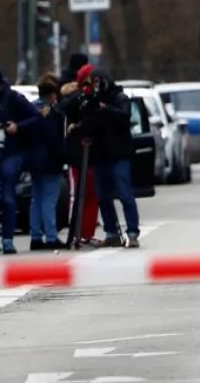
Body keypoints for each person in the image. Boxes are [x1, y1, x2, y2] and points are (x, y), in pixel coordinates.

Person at [63, 68, 141, 248]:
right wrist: (81, 127)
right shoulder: (91, 101)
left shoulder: (120, 98)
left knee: (125, 195)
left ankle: (132, 232)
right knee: (103, 196)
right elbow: (86, 119)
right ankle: (112, 231)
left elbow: (125, 117)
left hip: (119, 154)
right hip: (100, 155)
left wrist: (106, 109)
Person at [0, 64, 41, 255]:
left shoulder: (14, 99)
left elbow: (36, 118)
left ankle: (7, 240)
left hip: (11, 154)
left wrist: (17, 127)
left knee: (8, 198)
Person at [60, 66, 102, 248]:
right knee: (79, 194)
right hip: (78, 154)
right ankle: (76, 232)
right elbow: (66, 109)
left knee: (93, 195)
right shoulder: (74, 98)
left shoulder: (96, 97)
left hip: (94, 153)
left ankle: (87, 232)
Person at [28, 74, 68, 250]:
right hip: (50, 161)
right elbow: (55, 140)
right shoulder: (53, 113)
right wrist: (63, 156)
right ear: (53, 94)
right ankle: (51, 237)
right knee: (49, 199)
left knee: (36, 198)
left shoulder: (30, 109)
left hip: (33, 159)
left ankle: (35, 236)